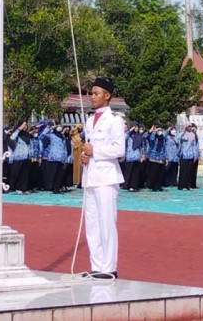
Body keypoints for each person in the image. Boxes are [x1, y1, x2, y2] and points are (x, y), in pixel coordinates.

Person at [81, 77, 125, 279]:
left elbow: (119, 149)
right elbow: (90, 150)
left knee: (107, 223)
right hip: (90, 176)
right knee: (92, 224)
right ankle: (96, 265)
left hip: (107, 177)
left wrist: (94, 150)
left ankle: (109, 267)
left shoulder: (115, 120)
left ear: (107, 96)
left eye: (96, 93)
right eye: (91, 93)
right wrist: (85, 156)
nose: (92, 97)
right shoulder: (90, 121)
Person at [40, 123, 68, 194]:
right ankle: (50, 187)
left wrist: (65, 157)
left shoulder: (62, 136)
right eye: (58, 126)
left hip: (61, 157)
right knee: (53, 174)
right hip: (53, 157)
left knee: (60, 174)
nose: (59, 127)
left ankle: (57, 188)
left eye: (60, 126)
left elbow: (64, 147)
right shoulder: (51, 135)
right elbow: (42, 135)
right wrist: (50, 128)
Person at [8, 121, 33, 194]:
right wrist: (18, 129)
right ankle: (14, 188)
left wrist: (31, 154)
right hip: (18, 156)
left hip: (26, 156)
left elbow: (30, 145)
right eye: (23, 125)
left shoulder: (27, 134)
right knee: (16, 173)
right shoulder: (17, 133)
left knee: (25, 174)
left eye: (26, 125)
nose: (25, 126)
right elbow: (12, 138)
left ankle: (24, 189)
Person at [122, 122, 143, 192]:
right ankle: (127, 186)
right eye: (135, 127)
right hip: (130, 156)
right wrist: (130, 130)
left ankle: (134, 186)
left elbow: (141, 146)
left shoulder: (139, 135)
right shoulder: (129, 135)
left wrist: (141, 155)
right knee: (129, 173)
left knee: (135, 173)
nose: (136, 128)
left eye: (137, 127)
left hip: (137, 157)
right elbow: (124, 137)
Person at [144, 124, 166, 192]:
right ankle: (153, 186)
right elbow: (150, 139)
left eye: (160, 130)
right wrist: (153, 131)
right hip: (154, 157)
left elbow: (164, 147)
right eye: (158, 130)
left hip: (160, 157)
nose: (159, 131)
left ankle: (158, 186)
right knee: (154, 173)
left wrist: (165, 156)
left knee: (160, 173)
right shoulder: (153, 137)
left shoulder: (163, 138)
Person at [178, 125, 198, 191]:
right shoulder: (183, 134)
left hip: (190, 155)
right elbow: (177, 138)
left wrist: (195, 155)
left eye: (190, 126)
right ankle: (182, 185)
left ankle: (188, 186)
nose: (189, 128)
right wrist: (183, 130)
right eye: (188, 126)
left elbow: (194, 145)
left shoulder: (193, 135)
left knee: (189, 171)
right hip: (184, 154)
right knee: (183, 171)